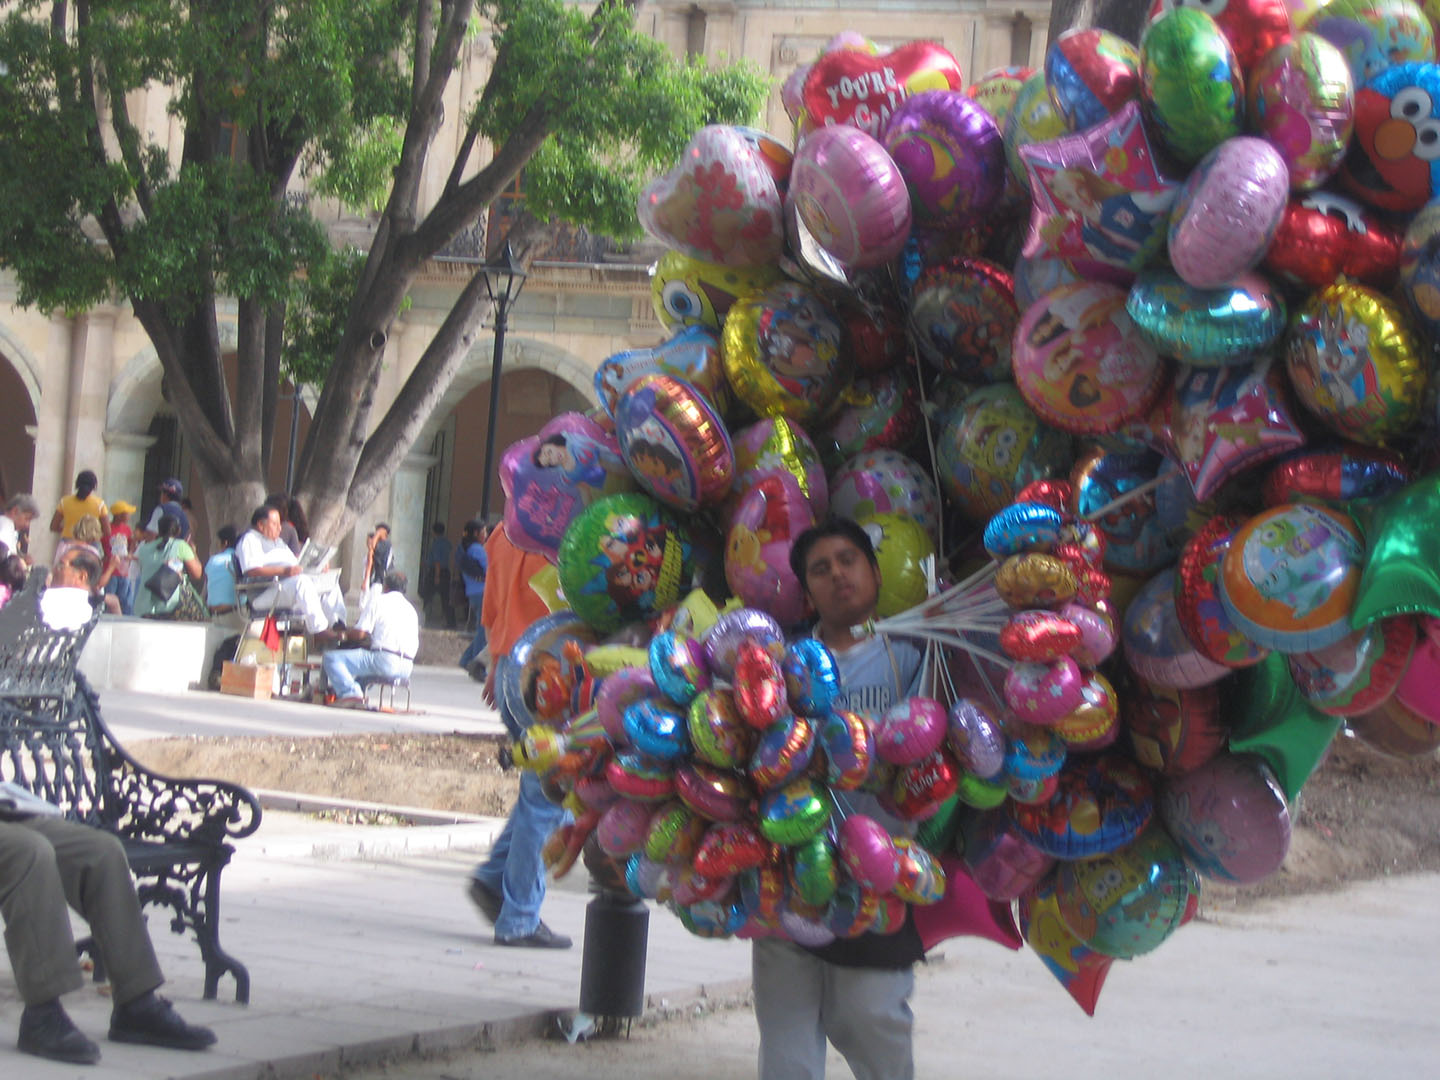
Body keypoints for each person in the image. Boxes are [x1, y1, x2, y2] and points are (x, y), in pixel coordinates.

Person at [752, 518, 925, 1080]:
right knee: (787, 1044)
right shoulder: (780, 666)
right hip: (787, 871)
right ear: (806, 591)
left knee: (873, 1020)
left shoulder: (914, 657)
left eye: (848, 560)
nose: (838, 576)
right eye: (820, 570)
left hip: (880, 873)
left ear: (875, 572)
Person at [466, 521, 571, 949]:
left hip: (512, 666)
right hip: (547, 672)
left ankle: (494, 879)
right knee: (550, 799)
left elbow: (491, 611)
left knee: (538, 793)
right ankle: (520, 917)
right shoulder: (565, 535)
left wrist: (496, 666)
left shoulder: (504, 532)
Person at [234, 505, 346, 635]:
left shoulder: (279, 542)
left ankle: (338, 624)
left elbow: (295, 565)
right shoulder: (250, 540)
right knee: (301, 582)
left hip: (286, 586)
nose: (280, 528)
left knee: (330, 581)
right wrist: (284, 571)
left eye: (279, 524)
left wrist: (317, 568)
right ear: (260, 525)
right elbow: (251, 570)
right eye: (275, 524)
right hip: (265, 592)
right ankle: (319, 629)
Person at [320, 569, 418, 709]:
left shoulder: (379, 601)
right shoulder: (411, 610)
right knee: (368, 666)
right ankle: (355, 691)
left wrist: (343, 635)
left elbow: (360, 634)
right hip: (406, 667)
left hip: (385, 661)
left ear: (385, 587)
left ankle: (351, 694)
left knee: (331, 658)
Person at [133, 514, 204, 619]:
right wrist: (193, 551)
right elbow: (197, 574)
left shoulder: (144, 549)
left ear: (159, 530)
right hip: (171, 606)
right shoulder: (181, 545)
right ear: (178, 530)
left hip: (143, 605)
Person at [457, 520, 489, 673]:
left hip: (473, 593)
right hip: (484, 593)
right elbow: (490, 570)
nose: (486, 535)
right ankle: (477, 665)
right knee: (484, 631)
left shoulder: (466, 549)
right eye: (484, 532)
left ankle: (466, 660)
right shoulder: (478, 549)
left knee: (481, 630)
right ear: (476, 534)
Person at [99, 499, 138, 616]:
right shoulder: (107, 529)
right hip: (110, 571)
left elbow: (132, 545)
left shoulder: (127, 529)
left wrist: (131, 551)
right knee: (109, 599)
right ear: (119, 515)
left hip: (123, 571)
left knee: (125, 601)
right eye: (127, 513)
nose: (129, 516)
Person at [49, 470, 110, 541]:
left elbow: (53, 526)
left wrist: (68, 531)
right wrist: (92, 534)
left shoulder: (64, 502)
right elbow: (107, 531)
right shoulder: (100, 504)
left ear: (77, 484)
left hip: (68, 542)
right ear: (94, 486)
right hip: (90, 543)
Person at [420, 521, 456, 629]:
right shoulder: (446, 543)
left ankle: (417, 616)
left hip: (436, 572)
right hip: (445, 572)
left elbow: (437, 561)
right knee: (446, 599)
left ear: (433, 532)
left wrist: (436, 576)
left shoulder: (436, 543)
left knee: (425, 595)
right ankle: (451, 623)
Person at [203, 525, 240, 617]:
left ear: (225, 543)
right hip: (236, 612)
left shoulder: (213, 560)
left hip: (213, 613)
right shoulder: (240, 560)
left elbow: (208, 584)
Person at [139, 478, 189, 544]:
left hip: (160, 551)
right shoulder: (184, 515)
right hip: (177, 551)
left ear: (165, 495)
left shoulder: (161, 509)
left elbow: (151, 534)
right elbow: (187, 538)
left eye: (162, 492)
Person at [0, 493, 39, 560]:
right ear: (15, 511)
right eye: (27, 519)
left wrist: (22, 557)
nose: (27, 525)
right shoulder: (7, 525)